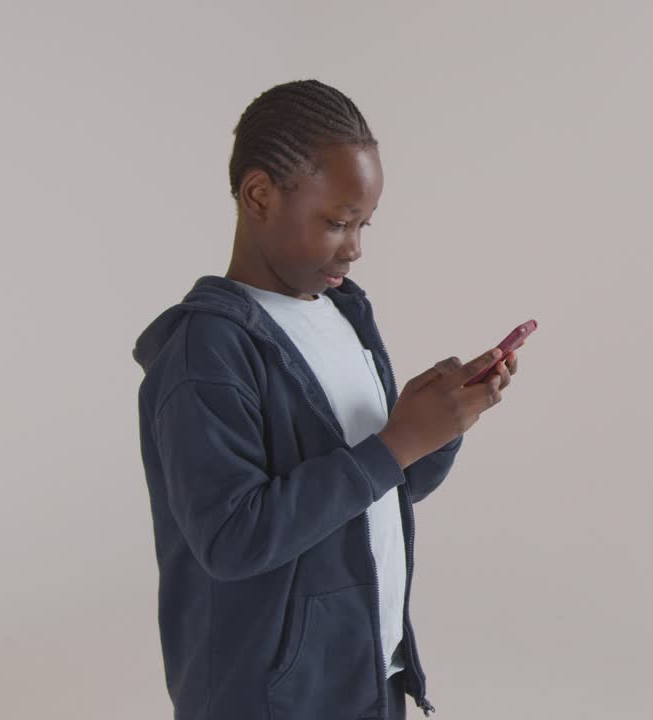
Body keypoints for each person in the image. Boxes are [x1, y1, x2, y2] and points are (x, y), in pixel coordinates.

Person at [132, 79, 520, 720]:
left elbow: (376, 488)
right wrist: (397, 442)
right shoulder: (205, 351)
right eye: (337, 222)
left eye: (364, 224)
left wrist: (441, 425)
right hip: (269, 699)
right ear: (260, 195)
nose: (356, 247)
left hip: (365, 677)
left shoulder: (344, 313)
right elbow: (234, 538)